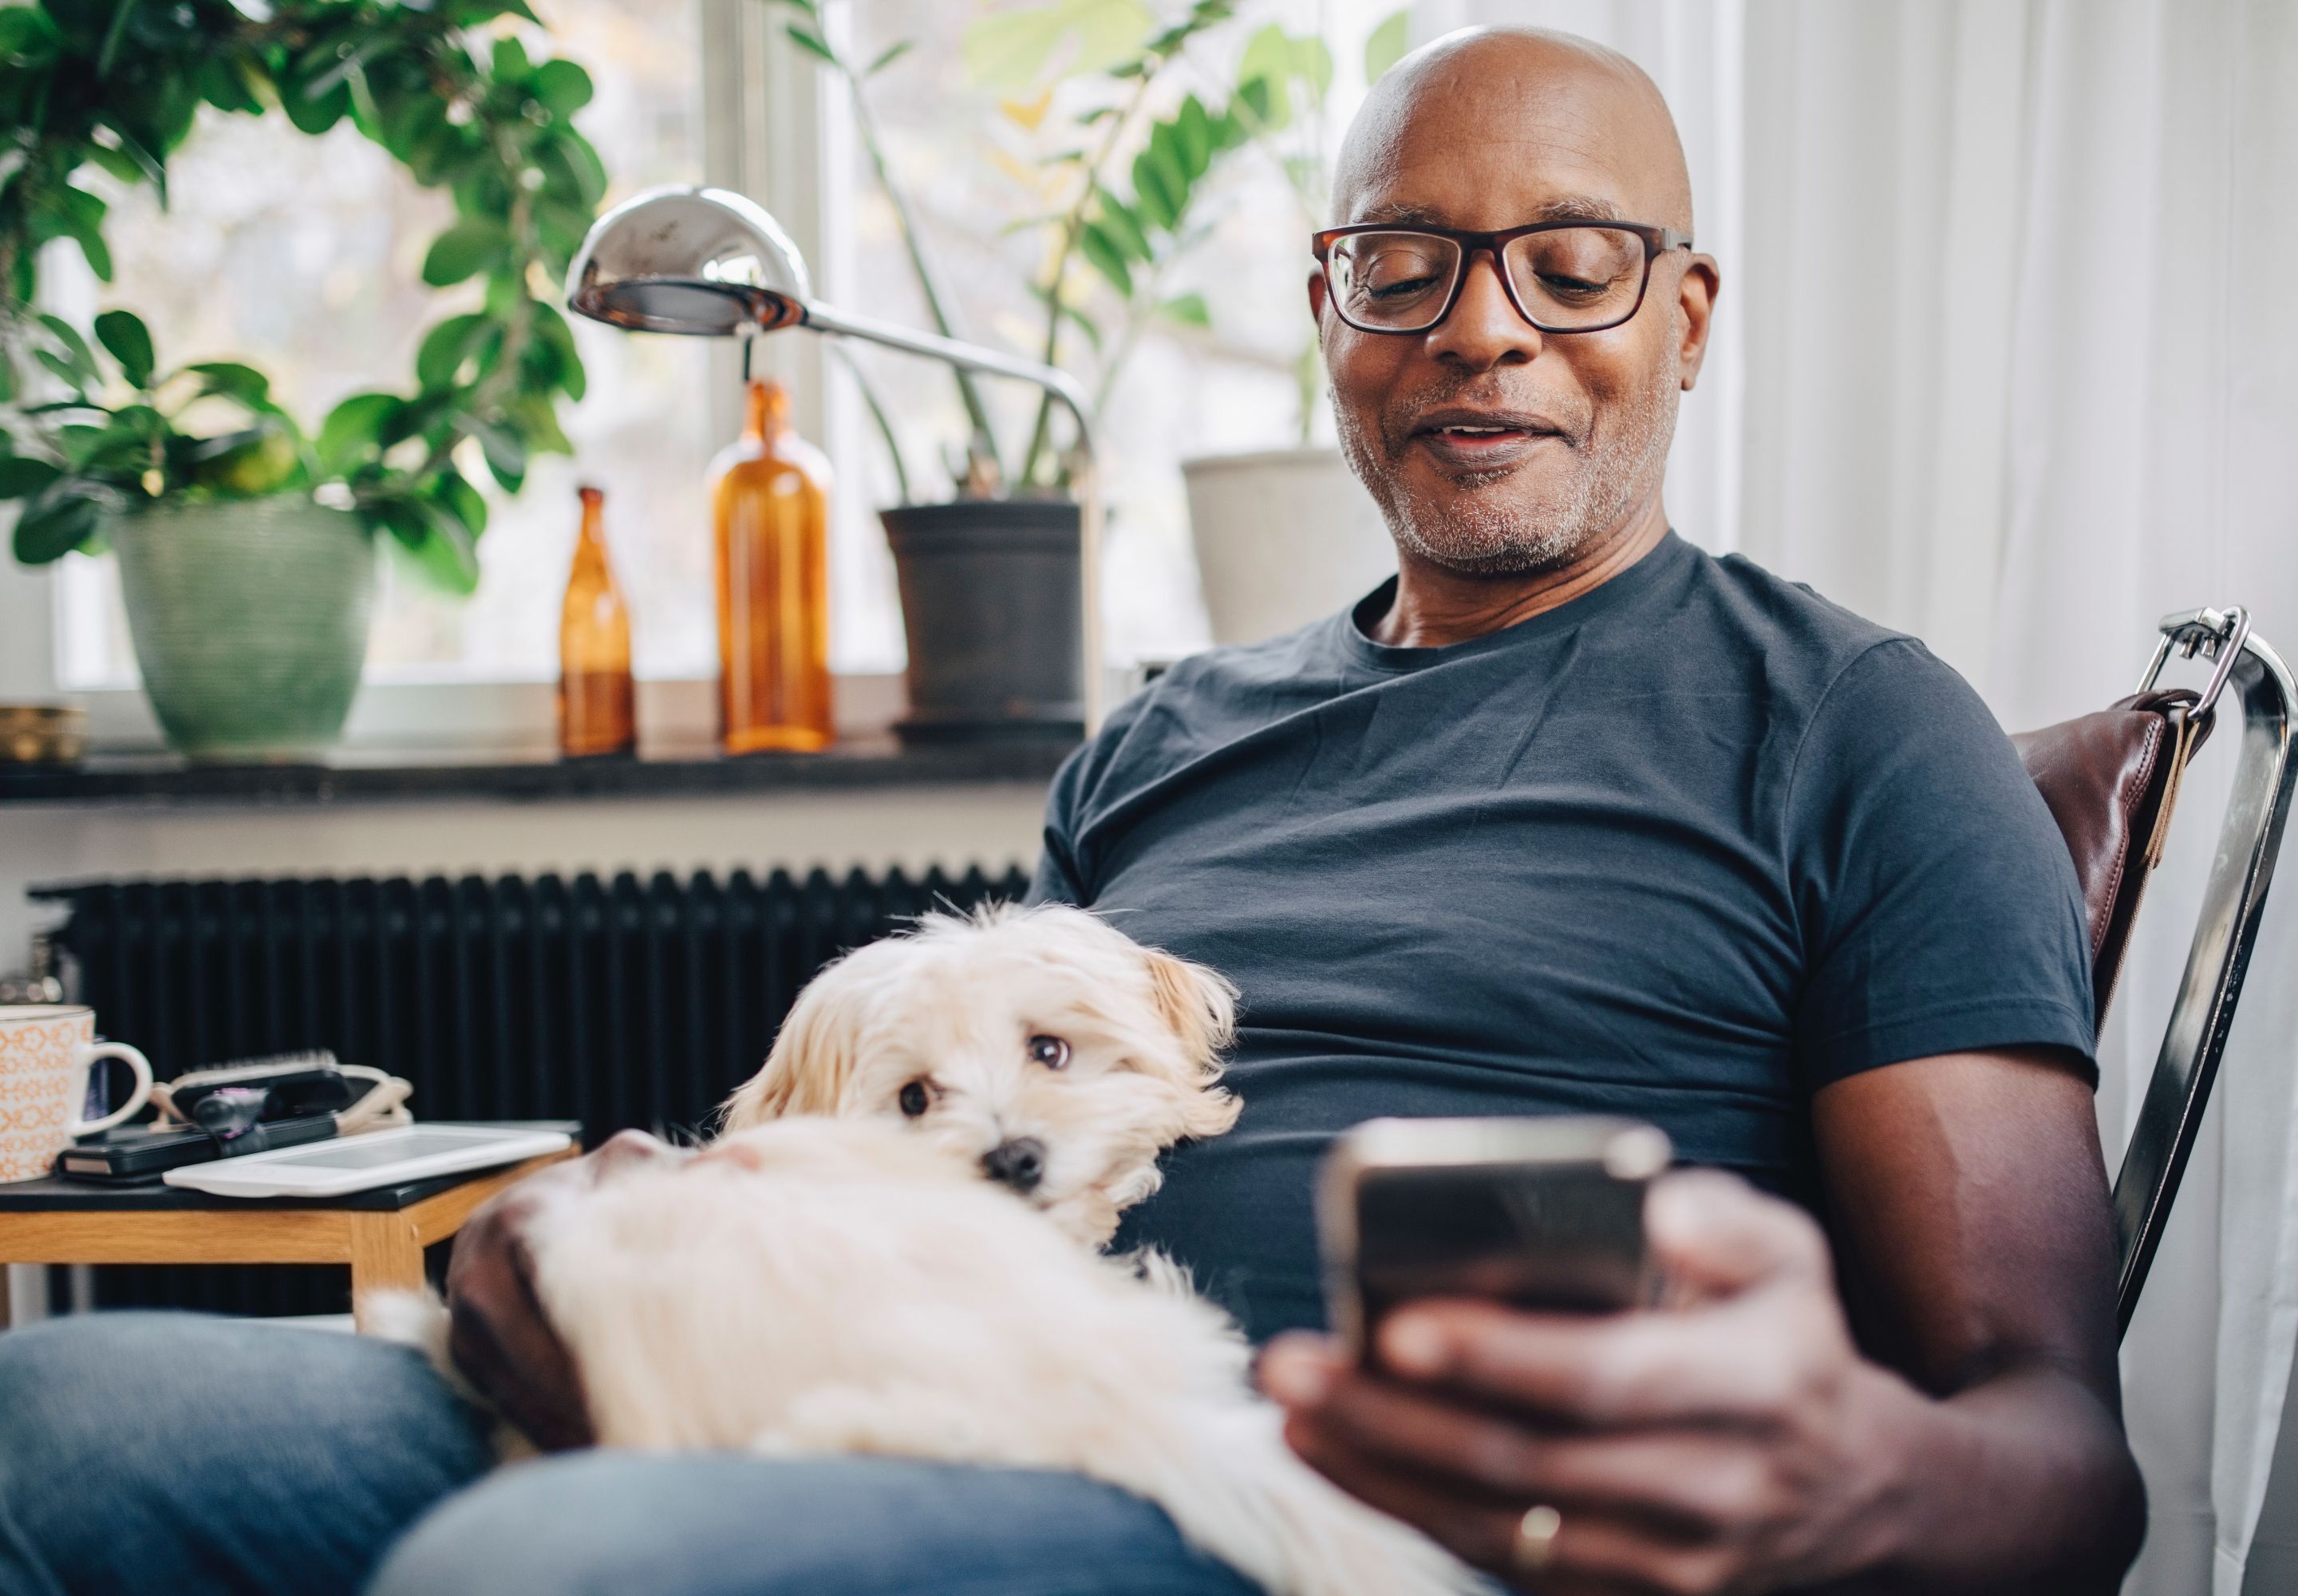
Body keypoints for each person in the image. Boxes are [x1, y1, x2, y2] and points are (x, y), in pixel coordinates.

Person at [0, 25, 2141, 1596]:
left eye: (1574, 268)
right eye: (1408, 265)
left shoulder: (1857, 726)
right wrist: (615, 1214)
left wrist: (1844, 1472)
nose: (1484, 332)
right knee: (59, 1425)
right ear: (1330, 313)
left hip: (1286, 1501)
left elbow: (2057, 1455)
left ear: (1682, 321)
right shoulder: (1162, 736)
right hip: (895, 1382)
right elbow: (930, 1144)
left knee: (568, 1571)